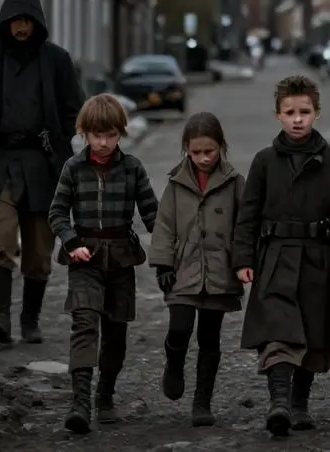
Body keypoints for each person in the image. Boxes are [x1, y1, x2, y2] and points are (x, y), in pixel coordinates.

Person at [233, 75, 330, 437]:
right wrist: (243, 259)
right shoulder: (264, 162)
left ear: (317, 113)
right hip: (274, 258)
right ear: (278, 115)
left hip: (318, 261)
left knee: (313, 334)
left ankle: (300, 404)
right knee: (277, 330)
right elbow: (248, 215)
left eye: (305, 111)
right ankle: (279, 403)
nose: (297, 119)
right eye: (290, 112)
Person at [0, 0, 84, 345]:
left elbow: (73, 110)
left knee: (38, 253)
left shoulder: (57, 60)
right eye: (15, 21)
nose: (20, 28)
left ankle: (30, 319)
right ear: (5, 21)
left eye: (26, 21)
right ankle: (0, 318)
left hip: (43, 163)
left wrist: (61, 145)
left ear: (36, 22)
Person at [48, 93, 159, 434]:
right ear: (84, 133)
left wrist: (172, 247)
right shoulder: (73, 167)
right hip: (85, 258)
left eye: (111, 135)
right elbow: (57, 213)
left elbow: (152, 213)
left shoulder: (132, 167)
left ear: (120, 133)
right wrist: (72, 242)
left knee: (115, 333)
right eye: (97, 135)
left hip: (122, 258)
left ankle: (105, 394)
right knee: (84, 325)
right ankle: (79, 401)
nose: (104, 142)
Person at [148, 112, 245, 427]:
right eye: (196, 152)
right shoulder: (176, 184)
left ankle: (202, 402)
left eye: (210, 151)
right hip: (183, 270)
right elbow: (163, 226)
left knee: (209, 338)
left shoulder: (234, 184)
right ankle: (174, 363)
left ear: (221, 147)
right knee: (180, 327)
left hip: (219, 274)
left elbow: (246, 226)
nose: (203, 158)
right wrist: (163, 264)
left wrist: (244, 261)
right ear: (186, 150)